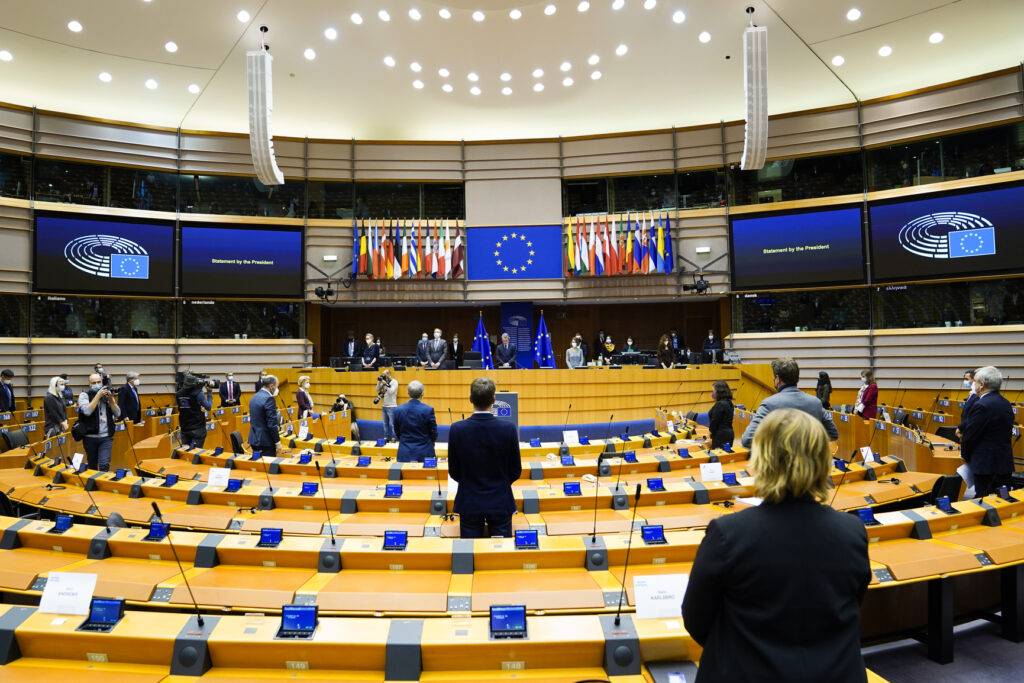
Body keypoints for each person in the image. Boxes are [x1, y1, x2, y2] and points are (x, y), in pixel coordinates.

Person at [683, 408, 871, 683]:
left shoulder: (728, 534)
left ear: (762, 459)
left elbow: (696, 620)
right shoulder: (853, 531)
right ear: (823, 460)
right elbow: (852, 608)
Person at [447, 377, 522, 538]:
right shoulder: (508, 428)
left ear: (470, 399)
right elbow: (516, 470)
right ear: (494, 400)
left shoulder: (457, 429)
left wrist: (470, 483)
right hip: (500, 499)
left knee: (471, 552)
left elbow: (454, 471)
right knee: (500, 554)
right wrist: (499, 483)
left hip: (469, 500)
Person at [740, 358, 840, 448]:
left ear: (778, 379)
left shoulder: (769, 404)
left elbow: (748, 439)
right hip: (810, 466)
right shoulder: (815, 403)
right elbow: (833, 433)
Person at [961, 365, 1014, 497]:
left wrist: (966, 456)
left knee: (984, 502)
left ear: (982, 385)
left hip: (985, 465)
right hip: (1004, 463)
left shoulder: (981, 405)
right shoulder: (1006, 403)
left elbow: (970, 436)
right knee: (1002, 501)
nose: (973, 384)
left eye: (975, 381)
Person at [78, 372, 122, 471]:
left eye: (99, 382)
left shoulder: (107, 395)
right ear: (89, 384)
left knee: (104, 465)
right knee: (92, 466)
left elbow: (118, 413)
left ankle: (103, 485)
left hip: (106, 437)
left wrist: (110, 399)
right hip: (90, 437)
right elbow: (87, 411)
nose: (97, 385)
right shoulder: (84, 395)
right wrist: (98, 396)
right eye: (94, 383)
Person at [393, 380, 438, 463]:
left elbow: (397, 431)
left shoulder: (398, 410)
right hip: (425, 452)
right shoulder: (428, 410)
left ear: (408, 393)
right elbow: (433, 432)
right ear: (422, 394)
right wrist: (432, 442)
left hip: (405, 452)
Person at [248, 374, 283, 457]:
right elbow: (272, 424)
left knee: (259, 466)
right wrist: (277, 442)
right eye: (277, 386)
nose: (277, 389)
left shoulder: (255, 396)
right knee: (268, 467)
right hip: (266, 442)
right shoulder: (269, 399)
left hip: (254, 439)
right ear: (271, 386)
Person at [176, 375, 211, 449]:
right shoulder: (198, 393)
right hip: (197, 428)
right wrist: (209, 392)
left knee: (186, 455)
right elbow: (208, 407)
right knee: (196, 453)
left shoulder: (178, 394)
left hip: (185, 428)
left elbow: (186, 407)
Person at [707, 380, 734, 449]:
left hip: (721, 435)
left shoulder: (720, 404)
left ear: (719, 392)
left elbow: (715, 420)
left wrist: (710, 432)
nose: (712, 393)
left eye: (713, 391)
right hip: (729, 433)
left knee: (718, 456)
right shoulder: (729, 403)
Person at [956, 369, 979, 441]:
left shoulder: (976, 396)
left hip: (971, 431)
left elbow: (971, 415)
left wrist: (960, 427)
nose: (965, 381)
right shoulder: (972, 394)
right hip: (966, 430)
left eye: (967, 379)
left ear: (974, 380)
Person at [378, 368, 399, 442]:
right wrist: (379, 381)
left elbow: (391, 391)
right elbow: (377, 389)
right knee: (385, 424)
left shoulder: (394, 382)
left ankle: (394, 438)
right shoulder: (383, 382)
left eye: (384, 374)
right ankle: (386, 438)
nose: (383, 376)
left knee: (393, 424)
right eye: (382, 374)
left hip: (392, 406)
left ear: (389, 375)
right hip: (384, 406)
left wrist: (385, 384)